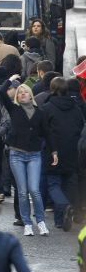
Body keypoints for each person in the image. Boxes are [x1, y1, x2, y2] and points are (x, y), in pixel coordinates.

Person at [0, 75, 53, 236]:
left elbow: (47, 133)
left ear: (31, 95)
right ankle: (27, 223)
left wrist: (54, 151)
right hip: (16, 153)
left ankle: (41, 221)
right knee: (22, 191)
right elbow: (2, 92)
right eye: (20, 92)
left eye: (25, 92)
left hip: (34, 154)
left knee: (34, 190)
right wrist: (10, 79)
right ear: (17, 96)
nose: (23, 94)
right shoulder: (14, 109)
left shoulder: (40, 112)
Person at [41, 77, 83, 231]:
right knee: (70, 183)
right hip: (72, 150)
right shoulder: (76, 108)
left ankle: (64, 207)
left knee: (53, 184)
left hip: (54, 151)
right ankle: (62, 218)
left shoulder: (47, 108)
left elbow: (43, 130)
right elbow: (80, 126)